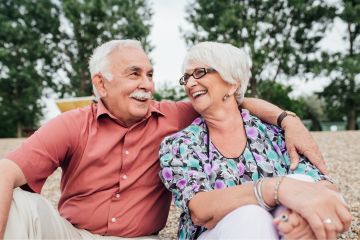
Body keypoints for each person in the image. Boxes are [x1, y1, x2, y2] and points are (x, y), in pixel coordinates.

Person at [0, 39, 329, 239]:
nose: (147, 84)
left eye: (150, 74)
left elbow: (233, 99)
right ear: (101, 84)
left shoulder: (175, 116)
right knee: (17, 202)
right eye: (134, 74)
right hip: (73, 235)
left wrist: (288, 120)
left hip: (141, 238)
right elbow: (6, 171)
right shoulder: (72, 124)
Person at [159, 41, 351, 240]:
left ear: (233, 83)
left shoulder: (275, 133)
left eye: (200, 72)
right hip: (217, 233)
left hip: (283, 230)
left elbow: (321, 183)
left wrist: (301, 215)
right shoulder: (181, 144)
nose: (190, 84)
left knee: (303, 188)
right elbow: (200, 210)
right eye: (187, 77)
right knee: (252, 216)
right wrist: (274, 189)